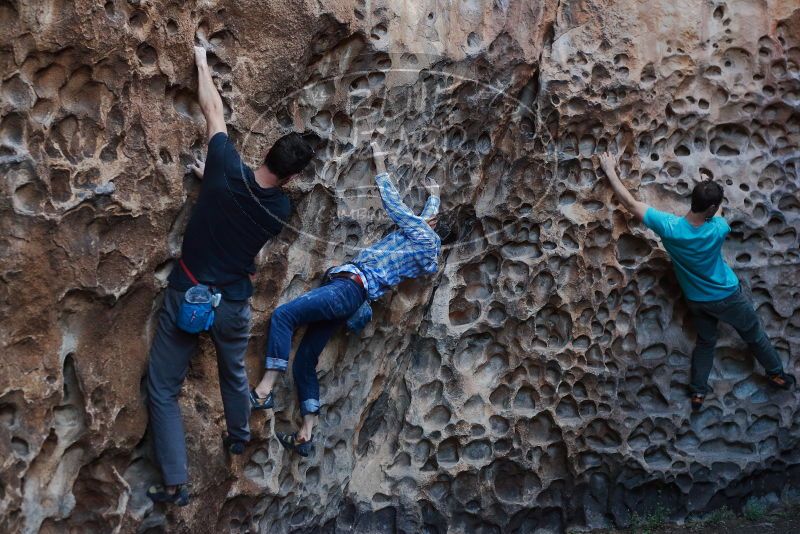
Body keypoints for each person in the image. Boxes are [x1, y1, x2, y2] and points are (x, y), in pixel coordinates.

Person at [145, 45, 314, 506]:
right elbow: (244, 205)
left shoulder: (223, 167)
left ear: (266, 151)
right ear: (292, 177)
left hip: (188, 294)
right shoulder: (280, 209)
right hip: (233, 305)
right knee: (233, 373)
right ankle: (238, 437)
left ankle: (177, 482)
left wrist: (201, 59)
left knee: (162, 387)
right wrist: (211, 182)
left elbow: (212, 108)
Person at [249, 143, 452, 457]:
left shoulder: (423, 234)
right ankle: (307, 432)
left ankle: (264, 390)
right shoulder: (428, 253)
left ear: (435, 229)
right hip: (354, 301)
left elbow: (395, 205)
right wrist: (434, 195)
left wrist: (380, 163)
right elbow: (426, 220)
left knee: (284, 316)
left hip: (349, 288)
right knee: (305, 359)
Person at [596, 152, 795, 411]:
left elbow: (631, 204)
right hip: (728, 296)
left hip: (698, 300)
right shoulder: (718, 228)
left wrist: (610, 171)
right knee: (754, 335)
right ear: (712, 209)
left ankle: (698, 393)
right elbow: (717, 213)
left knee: (705, 342)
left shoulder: (669, 228)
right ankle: (776, 373)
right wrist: (708, 183)